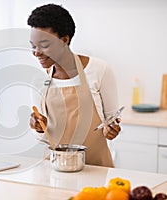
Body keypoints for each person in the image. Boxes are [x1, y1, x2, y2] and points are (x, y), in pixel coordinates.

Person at [28, 3, 121, 167]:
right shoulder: (39, 80)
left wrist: (111, 130)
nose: (36, 52)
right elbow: (43, 130)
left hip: (95, 167)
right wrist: (37, 126)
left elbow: (112, 120)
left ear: (64, 40)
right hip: (55, 167)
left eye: (44, 45)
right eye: (33, 45)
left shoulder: (99, 70)